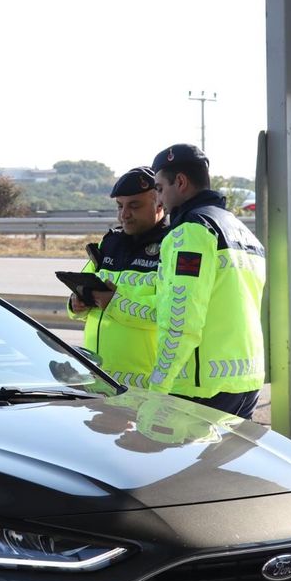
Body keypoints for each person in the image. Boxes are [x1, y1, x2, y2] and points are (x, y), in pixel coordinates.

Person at [146, 143, 265, 419]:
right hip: (245, 382)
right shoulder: (241, 230)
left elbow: (181, 319)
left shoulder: (191, 231)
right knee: (223, 464)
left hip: (199, 387)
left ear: (181, 182)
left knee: (173, 463)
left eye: (160, 188)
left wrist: (157, 388)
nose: (158, 200)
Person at [66, 167, 169, 388]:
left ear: (159, 203)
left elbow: (170, 313)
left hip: (146, 386)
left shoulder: (172, 245)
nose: (124, 214)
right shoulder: (110, 242)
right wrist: (75, 304)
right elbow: (80, 284)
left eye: (134, 205)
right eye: (120, 206)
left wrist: (114, 303)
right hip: (98, 380)